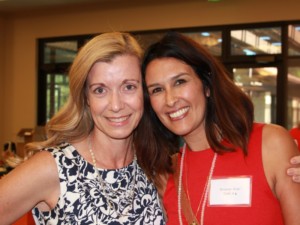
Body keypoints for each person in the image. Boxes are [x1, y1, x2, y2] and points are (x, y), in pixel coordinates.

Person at [0, 32, 167, 224]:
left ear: (144, 92)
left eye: (128, 87)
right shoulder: (54, 167)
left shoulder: (154, 167)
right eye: (100, 90)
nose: (116, 105)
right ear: (86, 98)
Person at [141, 31, 300, 225]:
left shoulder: (270, 145)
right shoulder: (167, 173)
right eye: (157, 90)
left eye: (180, 82)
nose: (170, 99)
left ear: (206, 86)